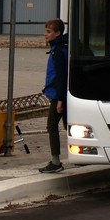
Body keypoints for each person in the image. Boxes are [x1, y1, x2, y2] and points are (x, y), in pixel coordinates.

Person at [39, 18, 70, 174]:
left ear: (58, 33)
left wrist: (59, 99)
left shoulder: (58, 50)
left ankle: (56, 162)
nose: (46, 35)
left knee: (52, 125)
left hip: (60, 96)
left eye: (49, 32)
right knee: (67, 125)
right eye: (46, 31)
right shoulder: (61, 47)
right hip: (60, 95)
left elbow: (61, 76)